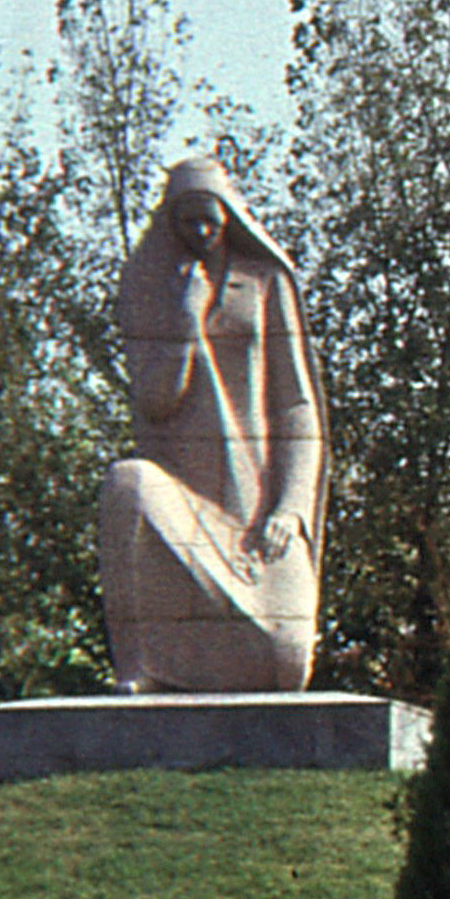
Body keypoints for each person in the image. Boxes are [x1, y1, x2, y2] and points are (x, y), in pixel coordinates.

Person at [97, 156, 327, 692]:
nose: (199, 231)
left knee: (285, 658)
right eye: (185, 222)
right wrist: (185, 321)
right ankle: (143, 667)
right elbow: (155, 403)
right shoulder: (159, 293)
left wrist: (290, 510)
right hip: (187, 502)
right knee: (126, 485)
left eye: (209, 218)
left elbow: (297, 406)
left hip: (258, 512)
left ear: (229, 215)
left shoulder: (264, 283)